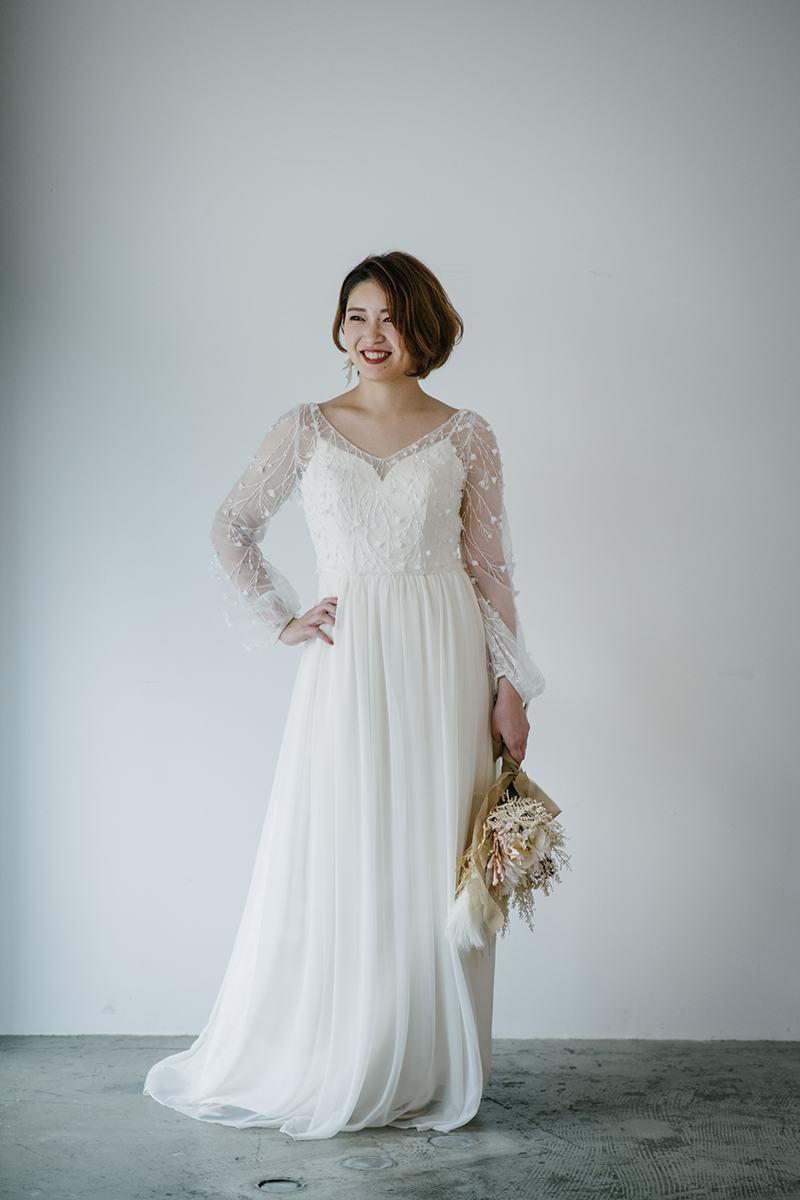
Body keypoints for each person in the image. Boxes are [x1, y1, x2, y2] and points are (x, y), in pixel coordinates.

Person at [144, 251, 544, 1140]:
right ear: (339, 325)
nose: (371, 335)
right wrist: (280, 616)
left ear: (423, 328)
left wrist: (511, 684)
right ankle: (341, 1054)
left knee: (435, 855)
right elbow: (232, 523)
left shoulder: (468, 434)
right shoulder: (305, 428)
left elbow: (492, 573)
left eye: (391, 317)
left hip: (447, 659)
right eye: (357, 315)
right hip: (350, 661)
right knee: (348, 843)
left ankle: (421, 1062)